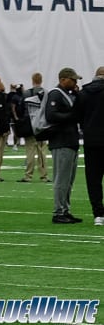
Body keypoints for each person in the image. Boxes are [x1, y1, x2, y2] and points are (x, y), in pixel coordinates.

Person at [46, 68, 82, 224]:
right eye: (72, 80)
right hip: (61, 141)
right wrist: (71, 116)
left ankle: (65, 209)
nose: (75, 83)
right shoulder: (55, 94)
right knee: (61, 179)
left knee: (69, 180)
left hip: (71, 141)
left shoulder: (70, 94)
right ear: (63, 80)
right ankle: (58, 211)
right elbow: (51, 115)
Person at [76, 66, 104, 226]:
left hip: (91, 141)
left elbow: (77, 116)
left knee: (93, 179)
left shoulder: (84, 93)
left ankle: (98, 214)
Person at [17, 73, 49, 183]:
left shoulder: (26, 93)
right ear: (41, 80)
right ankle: (44, 175)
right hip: (41, 125)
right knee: (42, 151)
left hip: (29, 125)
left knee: (30, 151)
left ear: (32, 80)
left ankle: (28, 175)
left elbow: (20, 109)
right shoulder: (46, 93)